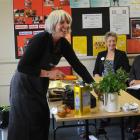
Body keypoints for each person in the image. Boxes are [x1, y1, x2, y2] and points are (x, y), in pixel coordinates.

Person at [8, 10, 94, 140]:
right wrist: (49, 72)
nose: (65, 26)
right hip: (24, 86)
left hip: (39, 84)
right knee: (27, 123)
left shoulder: (63, 43)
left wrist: (93, 84)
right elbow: (23, 66)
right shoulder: (41, 38)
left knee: (42, 119)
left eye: (68, 23)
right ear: (53, 23)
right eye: (62, 22)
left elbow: (77, 65)